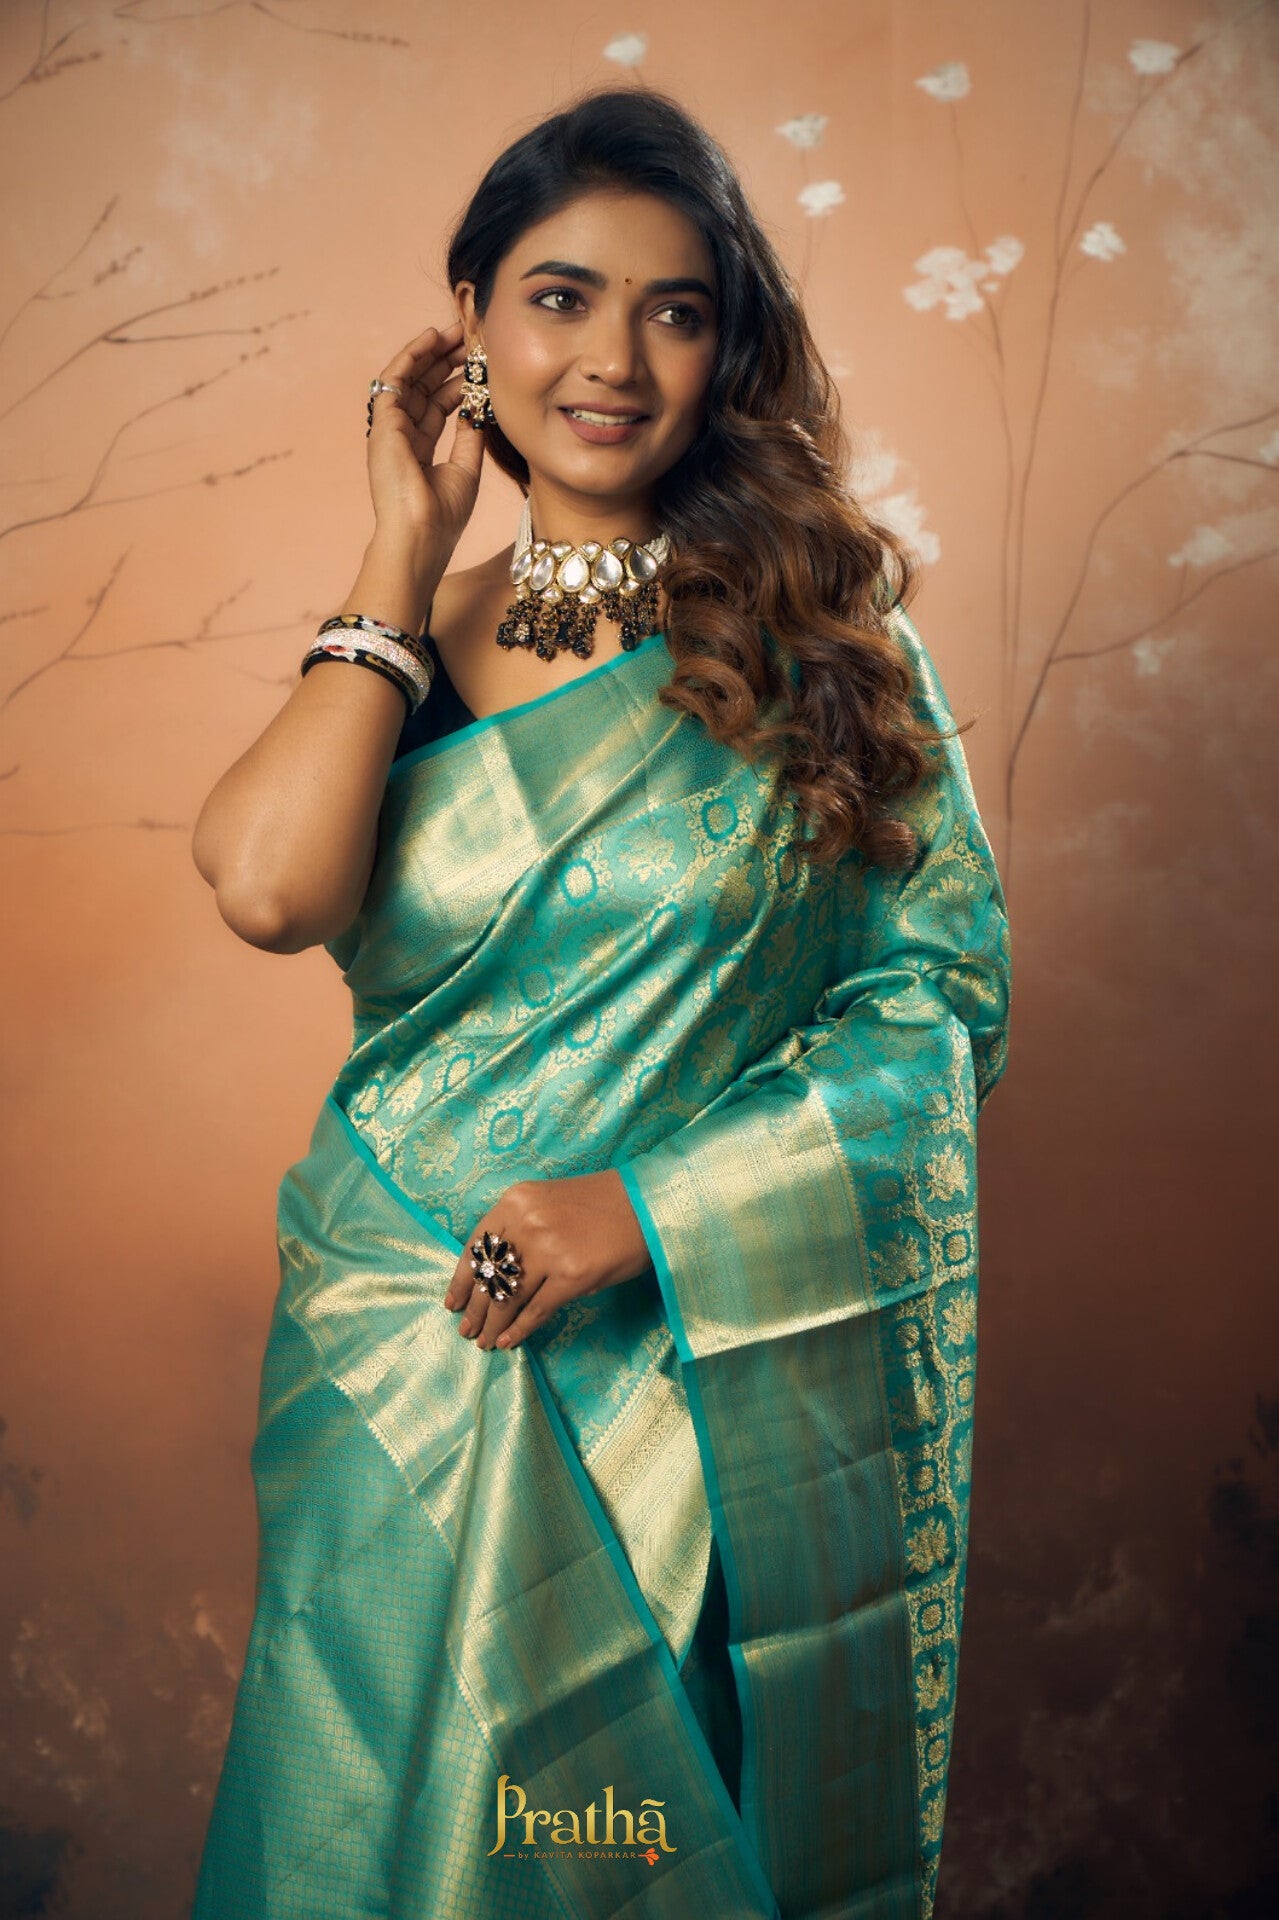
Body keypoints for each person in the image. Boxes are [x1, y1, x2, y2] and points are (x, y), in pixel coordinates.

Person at [189, 84, 1012, 1920]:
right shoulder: (397, 648)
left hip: (682, 1387)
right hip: (397, 1357)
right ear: (470, 322)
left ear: (729, 351)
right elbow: (269, 889)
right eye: (560, 298)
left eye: (675, 311)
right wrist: (402, 550)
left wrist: (647, 1212)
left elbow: (938, 1005)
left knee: (599, 1857)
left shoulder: (827, 654)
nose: (615, 361)